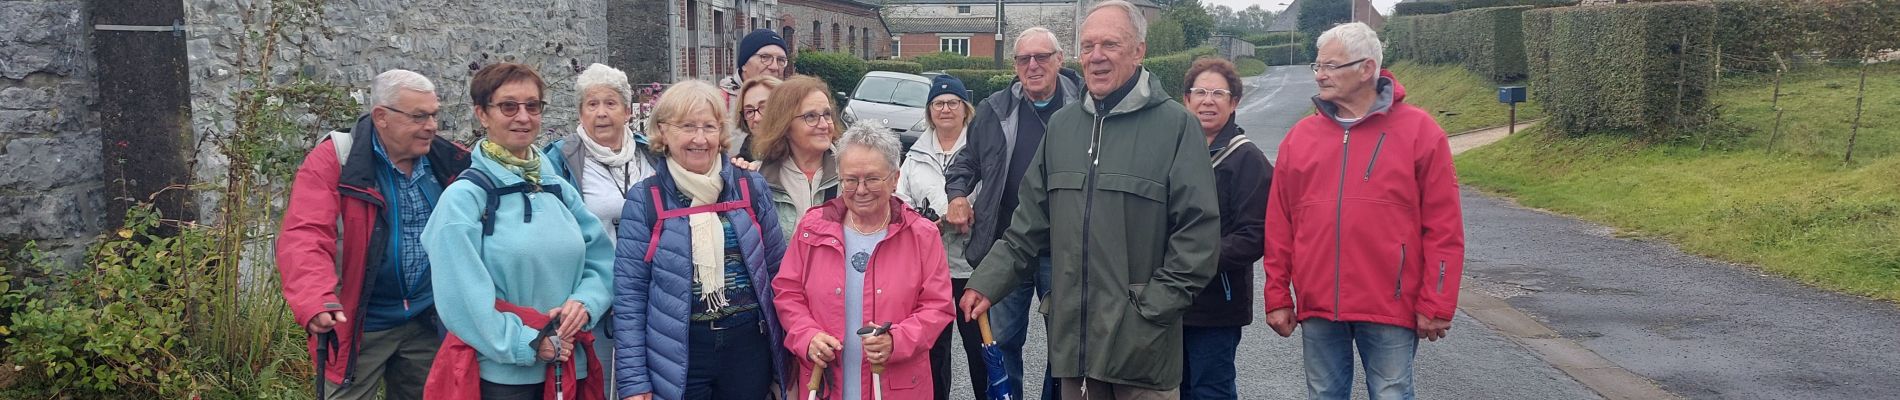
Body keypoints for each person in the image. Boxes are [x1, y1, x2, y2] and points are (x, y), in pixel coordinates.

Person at [958, 1, 1223, 398]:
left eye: (1110, 45)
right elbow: (1027, 225)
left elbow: (1198, 236)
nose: (1096, 57)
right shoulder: (1064, 127)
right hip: (1076, 347)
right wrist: (986, 282)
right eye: (1087, 46)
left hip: (1142, 351)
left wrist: (1150, 309)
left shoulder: (1176, 127)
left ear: (1139, 51)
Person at [1261, 22, 1466, 400]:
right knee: (1323, 394)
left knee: (1392, 393)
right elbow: (1279, 225)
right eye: (1317, 66)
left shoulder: (1421, 132)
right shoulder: (1300, 138)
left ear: (1366, 68)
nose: (1320, 74)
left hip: (1390, 304)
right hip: (1319, 304)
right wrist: (1277, 295)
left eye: (1331, 66)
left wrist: (1437, 301)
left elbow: (1444, 227)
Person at [421, 62, 614, 398]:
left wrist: (585, 304)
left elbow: (602, 260)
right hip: (504, 380)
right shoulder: (463, 200)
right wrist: (527, 342)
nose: (523, 117)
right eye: (508, 106)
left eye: (532, 106)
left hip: (572, 366)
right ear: (482, 114)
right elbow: (461, 298)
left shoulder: (556, 187)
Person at [278, 69, 468, 400]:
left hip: (429, 322)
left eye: (435, 115)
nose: (432, 126)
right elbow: (304, 235)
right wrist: (315, 299)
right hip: (359, 323)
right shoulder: (336, 160)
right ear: (381, 117)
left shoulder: (449, 161)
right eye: (419, 116)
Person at [611, 79, 792, 400]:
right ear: (663, 132)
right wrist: (634, 380)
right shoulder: (646, 199)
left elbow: (779, 274)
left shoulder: (749, 187)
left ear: (721, 133)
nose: (700, 138)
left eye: (709, 126)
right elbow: (630, 297)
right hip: (680, 354)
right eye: (687, 126)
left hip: (748, 349)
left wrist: (787, 359)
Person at [938, 26, 1083, 400]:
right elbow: (965, 163)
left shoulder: (1086, 104)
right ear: (1015, 65)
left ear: (1059, 60)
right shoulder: (994, 109)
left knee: (1066, 347)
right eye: (1024, 59)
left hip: (1067, 249)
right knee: (1001, 343)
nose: (1033, 65)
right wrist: (957, 195)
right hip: (1010, 246)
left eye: (1042, 57)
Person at [773, 121, 955, 400]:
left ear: (895, 178)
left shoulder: (922, 235)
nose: (860, 190)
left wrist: (898, 339)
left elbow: (938, 306)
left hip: (898, 386)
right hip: (825, 384)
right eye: (850, 179)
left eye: (872, 179)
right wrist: (807, 336)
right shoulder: (813, 227)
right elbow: (788, 293)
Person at [1177, 57, 1271, 400]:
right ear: (1186, 99)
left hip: (1218, 303)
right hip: (1168, 300)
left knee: (1211, 390)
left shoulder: (1247, 160)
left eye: (1219, 93)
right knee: (1172, 388)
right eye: (1199, 92)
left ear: (1234, 102)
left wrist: (1193, 259)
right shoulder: (1172, 152)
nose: (1208, 100)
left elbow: (1254, 235)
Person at [892, 74, 985, 400]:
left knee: (980, 350)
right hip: (930, 271)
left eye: (953, 103)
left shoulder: (981, 150)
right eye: (938, 104)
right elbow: (899, 202)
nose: (945, 109)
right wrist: (922, 222)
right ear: (929, 111)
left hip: (972, 268)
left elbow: (991, 197)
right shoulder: (914, 156)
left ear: (965, 109)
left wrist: (968, 213)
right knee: (934, 352)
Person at [751, 76, 843, 239]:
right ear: (784, 125)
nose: (823, 124)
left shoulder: (849, 173)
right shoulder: (760, 179)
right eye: (811, 117)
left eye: (827, 114)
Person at [721, 29, 791, 104]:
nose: (774, 67)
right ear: (744, 64)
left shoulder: (791, 103)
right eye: (765, 57)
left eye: (781, 60)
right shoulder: (719, 104)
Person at [728, 75, 783, 160]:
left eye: (764, 107)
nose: (756, 118)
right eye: (749, 111)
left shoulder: (805, 155)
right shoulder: (739, 167)